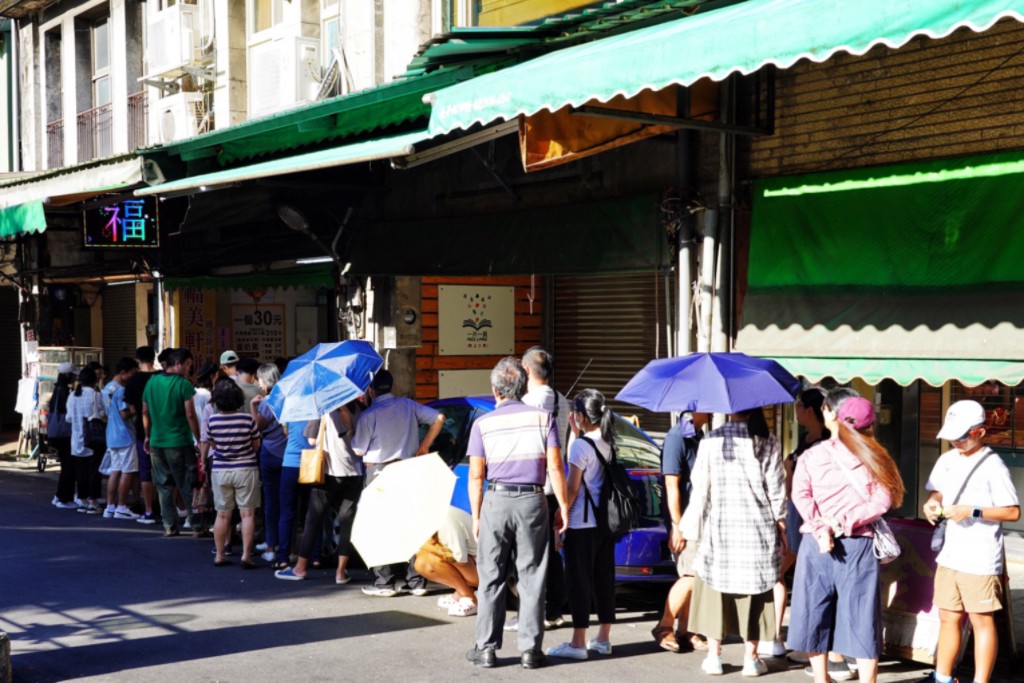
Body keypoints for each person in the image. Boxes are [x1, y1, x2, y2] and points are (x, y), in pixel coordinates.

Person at [788, 397, 905, 683]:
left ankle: (821, 678)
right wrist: (843, 522)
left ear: (837, 419)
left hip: (816, 545)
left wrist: (820, 526)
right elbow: (882, 501)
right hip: (858, 544)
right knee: (862, 616)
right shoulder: (877, 457)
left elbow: (800, 494)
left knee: (814, 609)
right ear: (870, 425)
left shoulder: (812, 455)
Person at [465, 357, 569, 670]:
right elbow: (555, 465)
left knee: (491, 575)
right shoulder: (543, 418)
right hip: (533, 501)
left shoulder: (482, 424)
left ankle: (486, 648)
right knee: (533, 575)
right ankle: (530, 651)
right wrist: (563, 507)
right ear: (521, 388)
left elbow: (475, 476)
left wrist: (476, 517)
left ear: (495, 390)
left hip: (496, 501)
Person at [681, 407, 785, 677]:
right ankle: (750, 660)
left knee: (716, 590)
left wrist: (688, 526)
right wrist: (781, 524)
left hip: (721, 527)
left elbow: (699, 485)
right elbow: (776, 490)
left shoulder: (712, 440)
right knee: (757, 594)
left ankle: (714, 656)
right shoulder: (767, 440)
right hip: (757, 529)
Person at [923, 400, 1020, 683]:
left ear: (980, 432)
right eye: (952, 434)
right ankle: (942, 678)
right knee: (947, 615)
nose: (955, 441)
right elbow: (936, 492)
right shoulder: (946, 459)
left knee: (981, 620)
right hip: (950, 553)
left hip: (980, 554)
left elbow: (1013, 511)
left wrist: (973, 510)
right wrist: (932, 503)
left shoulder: (994, 466)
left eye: (962, 435)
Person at [352, 369, 446, 597]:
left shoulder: (368, 415)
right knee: (411, 522)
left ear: (371, 390)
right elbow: (439, 418)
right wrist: (424, 445)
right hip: (408, 468)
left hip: (380, 472)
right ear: (390, 386)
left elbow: (358, 449)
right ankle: (416, 580)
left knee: (379, 526)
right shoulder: (408, 405)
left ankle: (385, 582)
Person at [545, 388, 617, 661]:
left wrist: (561, 514)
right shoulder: (608, 440)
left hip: (582, 523)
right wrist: (577, 431)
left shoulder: (580, 446)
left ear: (581, 415)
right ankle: (603, 638)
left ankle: (577, 643)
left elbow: (573, 487)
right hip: (605, 523)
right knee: (603, 580)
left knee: (578, 581)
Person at [762, 387, 831, 660]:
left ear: (810, 410)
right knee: (782, 573)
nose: (796, 410)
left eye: (799, 405)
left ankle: (803, 643)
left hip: (811, 518)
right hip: (796, 514)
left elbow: (796, 487)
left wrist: (789, 470)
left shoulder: (823, 445)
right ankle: (779, 637)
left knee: (796, 576)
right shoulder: (808, 440)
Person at [275, 402, 363, 585]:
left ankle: (300, 567)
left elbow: (312, 441)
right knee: (347, 521)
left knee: (313, 519)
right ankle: (340, 572)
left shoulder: (322, 408)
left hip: (328, 471)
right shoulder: (359, 409)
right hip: (354, 472)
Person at [519, 346, 571, 630]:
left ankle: (536, 612)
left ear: (527, 370)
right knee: (551, 553)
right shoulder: (563, 400)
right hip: (556, 484)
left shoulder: (527, 402)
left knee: (531, 553)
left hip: (535, 484)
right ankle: (554, 610)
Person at [652, 411, 709, 654]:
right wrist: (677, 525)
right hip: (685, 518)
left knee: (697, 576)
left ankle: (686, 629)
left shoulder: (698, 434)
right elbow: (671, 484)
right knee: (690, 575)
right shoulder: (677, 437)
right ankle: (664, 625)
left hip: (699, 516)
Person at [142, 347, 202, 537]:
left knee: (164, 485)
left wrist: (147, 435)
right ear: (178, 364)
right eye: (187, 365)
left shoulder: (151, 382)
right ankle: (196, 525)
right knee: (187, 483)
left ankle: (169, 525)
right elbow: (190, 414)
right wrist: (199, 438)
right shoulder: (183, 384)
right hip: (180, 441)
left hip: (157, 441)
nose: (188, 369)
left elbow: (145, 411)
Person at [202, 379, 262, 568]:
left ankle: (219, 555)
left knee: (222, 515)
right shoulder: (247, 419)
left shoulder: (212, 420)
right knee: (247, 514)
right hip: (246, 469)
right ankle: (246, 555)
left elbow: (212, 444)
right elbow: (256, 445)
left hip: (221, 470)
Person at [251, 363, 288, 563]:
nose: (258, 383)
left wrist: (252, 407)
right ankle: (285, 545)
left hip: (270, 453)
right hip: (288, 456)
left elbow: (257, 427)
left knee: (271, 502)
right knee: (287, 504)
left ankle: (271, 545)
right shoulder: (289, 399)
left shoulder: (268, 402)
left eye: (259, 380)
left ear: (265, 380)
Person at [416, 506, 479, 617]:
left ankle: (469, 597)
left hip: (487, 568)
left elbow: (459, 559)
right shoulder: (436, 517)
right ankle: (463, 591)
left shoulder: (446, 520)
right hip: (476, 563)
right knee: (422, 561)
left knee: (429, 559)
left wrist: (431, 548)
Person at [101, 357, 140, 520]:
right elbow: (125, 414)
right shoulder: (122, 390)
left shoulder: (106, 388)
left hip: (111, 435)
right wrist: (136, 409)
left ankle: (110, 506)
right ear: (123, 373)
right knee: (128, 471)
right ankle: (122, 506)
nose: (134, 376)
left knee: (115, 471)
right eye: (132, 373)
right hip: (125, 435)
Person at [122, 346, 158, 524]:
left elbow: (133, 410)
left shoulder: (132, 381)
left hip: (142, 431)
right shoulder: (161, 377)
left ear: (137, 360)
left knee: (145, 471)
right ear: (154, 358)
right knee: (166, 471)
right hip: (164, 429)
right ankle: (171, 507)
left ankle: (149, 509)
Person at [66, 367, 106, 514]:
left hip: (76, 439)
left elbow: (68, 418)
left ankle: (82, 500)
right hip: (93, 438)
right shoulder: (96, 395)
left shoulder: (72, 396)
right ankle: (93, 501)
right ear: (94, 380)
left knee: (81, 472)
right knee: (94, 471)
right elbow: (102, 414)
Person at [48, 363, 77, 509]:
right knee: (68, 466)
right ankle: (63, 497)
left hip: (57, 433)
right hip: (65, 434)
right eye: (73, 374)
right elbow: (66, 413)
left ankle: (60, 495)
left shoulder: (57, 389)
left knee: (66, 465)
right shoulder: (64, 391)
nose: (75, 377)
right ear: (68, 375)